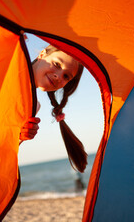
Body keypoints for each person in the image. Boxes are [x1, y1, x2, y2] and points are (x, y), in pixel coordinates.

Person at [19, 45, 88, 173]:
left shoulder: (33, 106)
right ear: (42, 54)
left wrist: (19, 137)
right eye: (57, 64)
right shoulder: (8, 65)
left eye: (66, 76)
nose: (59, 77)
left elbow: (2, 148)